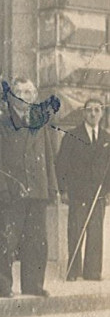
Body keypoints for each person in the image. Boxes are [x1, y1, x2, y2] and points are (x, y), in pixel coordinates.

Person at [0, 77, 57, 298]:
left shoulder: (42, 121)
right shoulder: (1, 122)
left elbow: (48, 157)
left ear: (34, 96)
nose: (22, 96)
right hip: (12, 192)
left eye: (27, 92)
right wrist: (0, 189)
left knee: (37, 241)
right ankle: (4, 285)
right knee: (7, 240)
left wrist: (51, 188)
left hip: (37, 190)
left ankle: (33, 285)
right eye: (18, 91)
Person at [56, 99, 110, 281]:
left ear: (101, 113)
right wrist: (62, 190)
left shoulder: (106, 138)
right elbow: (61, 163)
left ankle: (92, 272)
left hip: (98, 194)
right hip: (78, 193)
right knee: (75, 231)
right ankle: (73, 271)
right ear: (83, 113)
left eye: (97, 110)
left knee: (95, 233)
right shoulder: (72, 135)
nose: (93, 114)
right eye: (89, 110)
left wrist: (108, 191)